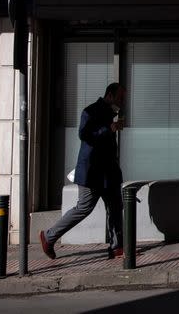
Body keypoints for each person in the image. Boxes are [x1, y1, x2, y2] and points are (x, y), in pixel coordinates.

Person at [39, 83, 126, 259]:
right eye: (120, 97)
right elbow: (84, 135)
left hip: (108, 172)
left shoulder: (111, 113)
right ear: (109, 95)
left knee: (115, 206)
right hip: (92, 172)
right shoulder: (91, 111)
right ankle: (49, 236)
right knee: (84, 208)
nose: (122, 102)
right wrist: (109, 129)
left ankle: (117, 247)